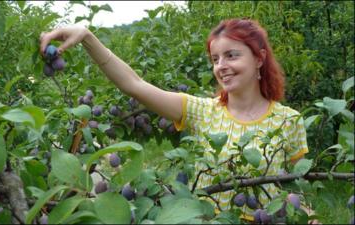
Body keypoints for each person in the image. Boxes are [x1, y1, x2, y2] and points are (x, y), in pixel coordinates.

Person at [40, 19, 310, 223]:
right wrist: (88, 37)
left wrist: (310, 215)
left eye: (232, 55)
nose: (221, 66)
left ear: (259, 58)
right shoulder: (203, 111)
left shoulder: (288, 120)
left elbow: (298, 186)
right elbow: (134, 85)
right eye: (215, 59)